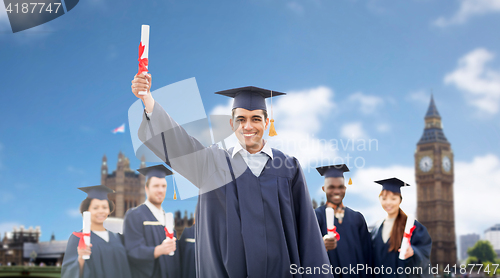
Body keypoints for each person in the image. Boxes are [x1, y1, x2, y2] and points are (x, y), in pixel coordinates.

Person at [131, 73, 332, 277]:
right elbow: (178, 144)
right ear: (231, 124)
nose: (247, 126)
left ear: (266, 122)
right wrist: (148, 100)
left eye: (255, 119)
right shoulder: (212, 163)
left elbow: (308, 232)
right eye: (241, 119)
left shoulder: (289, 168)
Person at [314, 164, 373, 278]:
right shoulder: (315, 217)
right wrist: (320, 245)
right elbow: (306, 248)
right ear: (324, 188)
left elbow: (368, 255)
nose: (337, 191)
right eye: (331, 187)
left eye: (340, 187)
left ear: (345, 188)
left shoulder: (357, 218)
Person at [61, 185, 132, 278]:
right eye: (95, 208)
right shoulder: (78, 238)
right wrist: (81, 258)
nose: (101, 211)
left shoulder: (118, 237)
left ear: (109, 210)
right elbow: (68, 273)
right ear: (87, 210)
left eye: (104, 207)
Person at [123, 164, 180, 278]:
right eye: (156, 186)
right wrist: (159, 250)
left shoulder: (167, 218)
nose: (160, 190)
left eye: (163, 186)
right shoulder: (135, 215)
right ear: (146, 188)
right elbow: (132, 251)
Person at [370, 178, 432, 278]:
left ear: (400, 200)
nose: (388, 203)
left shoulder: (413, 227)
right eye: (384, 198)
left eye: (393, 199)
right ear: (379, 199)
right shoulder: (376, 229)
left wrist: (413, 251)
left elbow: (424, 251)